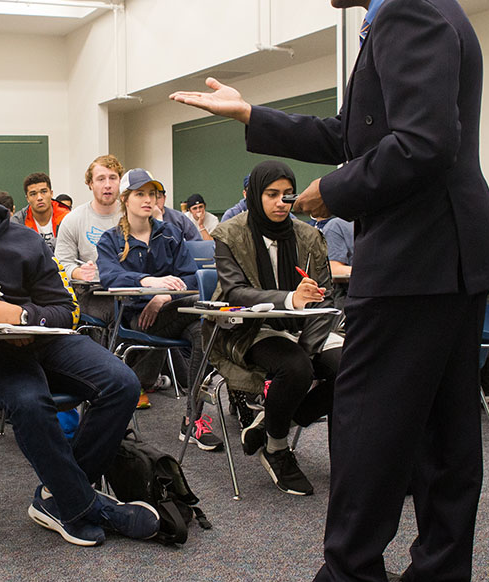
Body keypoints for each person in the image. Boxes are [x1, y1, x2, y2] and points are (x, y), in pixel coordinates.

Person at [171, 0, 489, 582]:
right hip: (449, 257)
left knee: (367, 422)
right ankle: (439, 581)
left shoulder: (408, 13)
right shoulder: (423, 10)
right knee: (446, 429)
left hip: (418, 257)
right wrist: (250, 116)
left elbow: (421, 144)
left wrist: (334, 193)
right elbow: (350, 132)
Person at [0, 148, 157, 546]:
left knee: (122, 383)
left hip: (39, 338)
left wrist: (19, 316)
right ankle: (87, 506)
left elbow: (64, 308)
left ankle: (62, 497)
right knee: (31, 401)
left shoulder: (22, 238)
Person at [207, 161, 342, 495]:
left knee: (355, 369)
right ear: (255, 195)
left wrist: (313, 300)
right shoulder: (230, 233)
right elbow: (235, 291)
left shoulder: (309, 235)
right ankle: (277, 447)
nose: (282, 202)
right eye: (272, 194)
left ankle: (272, 422)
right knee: (295, 367)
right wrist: (290, 299)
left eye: (287, 195)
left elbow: (326, 293)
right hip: (250, 327)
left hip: (304, 325)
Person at [95, 169, 223, 452]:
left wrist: (163, 296)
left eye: (152, 194)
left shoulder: (170, 234)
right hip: (136, 318)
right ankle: (223, 363)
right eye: (140, 194)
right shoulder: (111, 240)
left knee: (203, 331)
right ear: (125, 199)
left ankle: (193, 419)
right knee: (205, 315)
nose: (147, 199)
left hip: (173, 311)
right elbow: (109, 277)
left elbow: (191, 276)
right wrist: (147, 282)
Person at [55, 154, 125, 323]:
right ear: (90, 184)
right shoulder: (74, 219)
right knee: (120, 314)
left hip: (130, 289)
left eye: (112, 178)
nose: (107, 185)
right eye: (101, 179)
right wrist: (79, 272)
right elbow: (61, 264)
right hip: (91, 292)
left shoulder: (131, 216)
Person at [12, 172, 70, 251]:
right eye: (33, 194)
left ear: (51, 193)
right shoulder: (17, 223)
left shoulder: (68, 218)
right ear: (27, 199)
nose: (39, 198)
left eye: (44, 192)